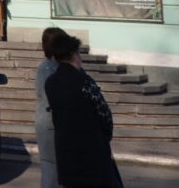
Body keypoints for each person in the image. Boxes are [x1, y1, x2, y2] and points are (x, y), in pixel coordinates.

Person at [44, 32, 123, 187]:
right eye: (78, 53)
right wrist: (104, 137)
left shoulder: (50, 82)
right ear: (73, 54)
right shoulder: (84, 81)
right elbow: (104, 113)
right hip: (92, 149)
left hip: (65, 149)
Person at [35, 26, 71, 188]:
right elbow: (48, 98)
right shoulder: (47, 68)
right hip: (51, 125)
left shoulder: (60, 66)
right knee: (51, 173)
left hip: (54, 124)